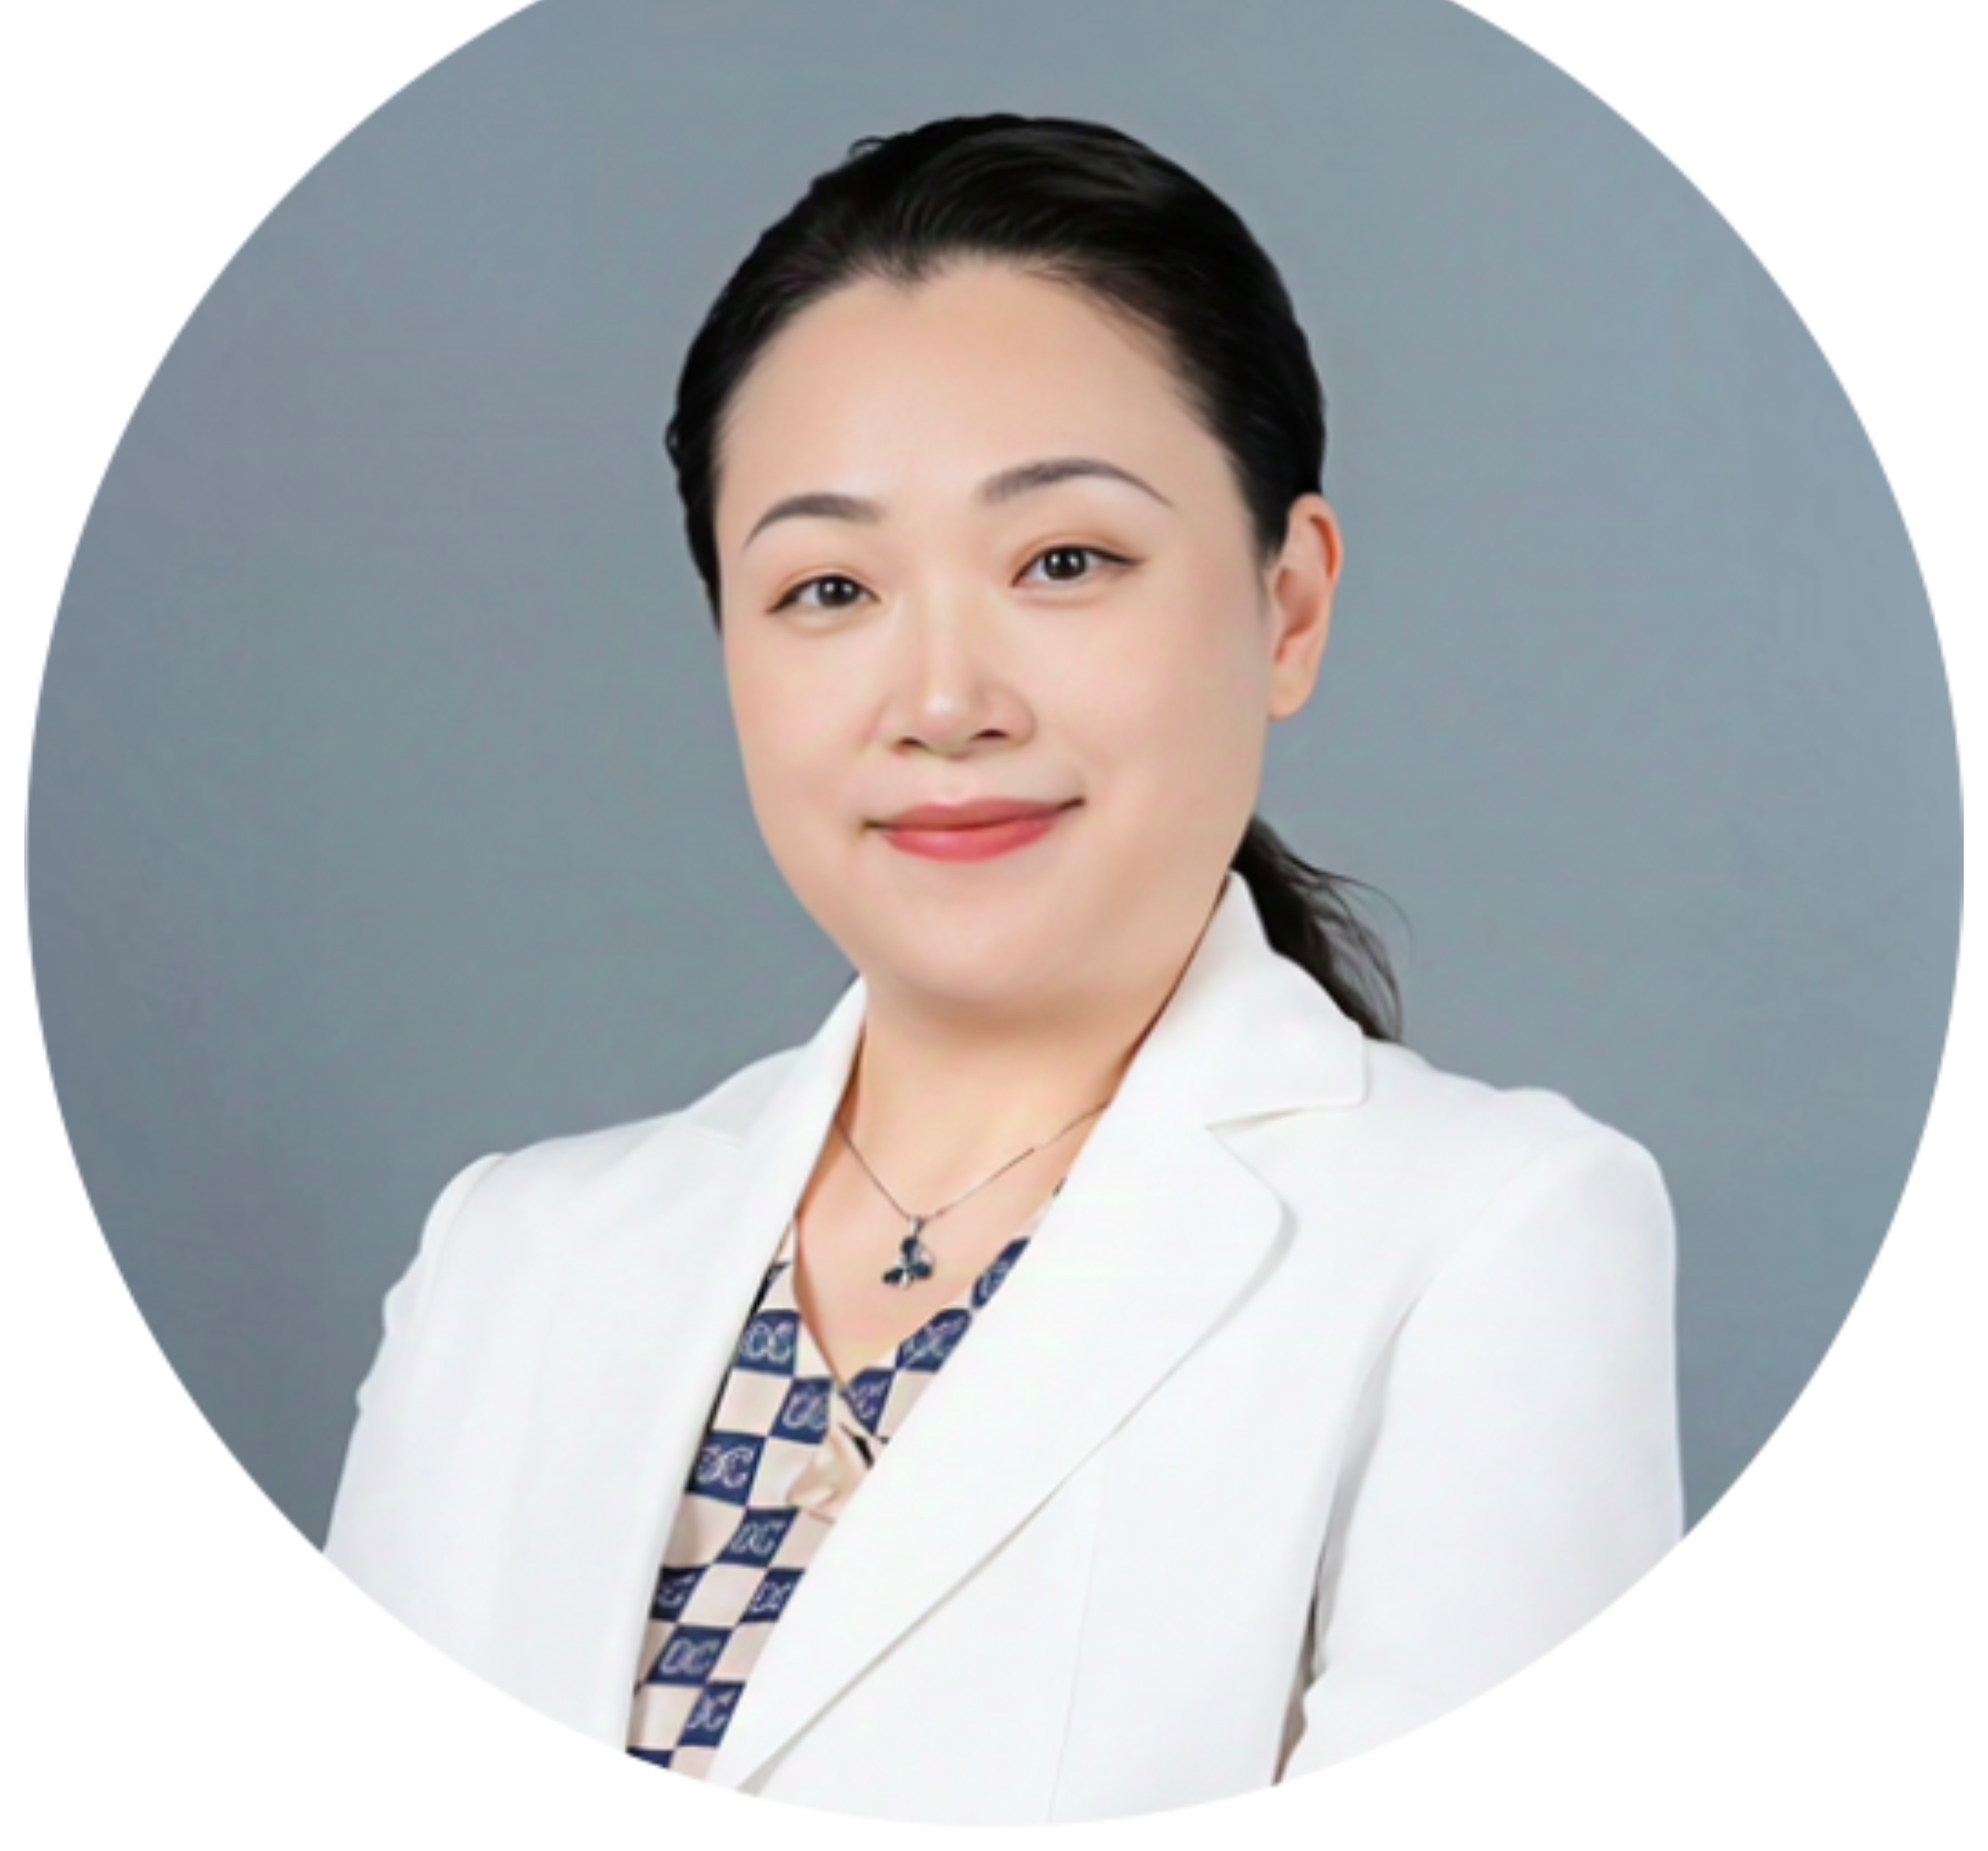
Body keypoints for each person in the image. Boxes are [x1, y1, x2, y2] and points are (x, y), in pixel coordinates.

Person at [324, 113, 1682, 1824]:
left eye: (1064, 562)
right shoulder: (512, 1259)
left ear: (1287, 607)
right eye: (829, 587)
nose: (944, 701)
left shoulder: (1494, 1238)